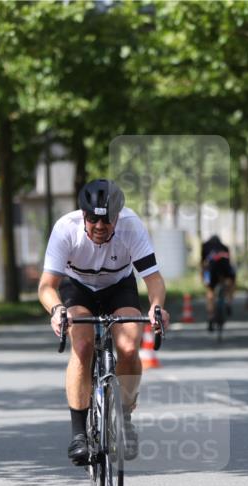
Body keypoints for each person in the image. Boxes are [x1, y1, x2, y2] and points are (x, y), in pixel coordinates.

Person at [38, 179, 170, 466]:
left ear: (117, 218)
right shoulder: (65, 229)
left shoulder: (131, 226)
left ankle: (124, 417)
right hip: (78, 288)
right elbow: (46, 286)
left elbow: (154, 279)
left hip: (118, 286)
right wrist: (57, 309)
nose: (100, 226)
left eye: (107, 220)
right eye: (94, 219)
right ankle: (78, 435)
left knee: (128, 345)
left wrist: (157, 307)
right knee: (83, 346)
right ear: (83, 215)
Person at [201, 234, 237, 331]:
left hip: (212, 269)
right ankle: (229, 301)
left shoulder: (205, 246)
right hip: (225, 267)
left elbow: (203, 264)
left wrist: (204, 279)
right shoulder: (224, 247)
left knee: (210, 292)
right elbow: (229, 263)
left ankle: (210, 317)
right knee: (231, 282)